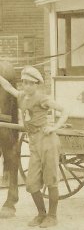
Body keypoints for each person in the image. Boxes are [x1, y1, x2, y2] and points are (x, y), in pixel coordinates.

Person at [0, 66, 68, 228]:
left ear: (37, 84)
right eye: (24, 82)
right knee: (31, 184)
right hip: (34, 143)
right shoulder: (22, 96)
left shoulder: (42, 98)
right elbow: (8, 87)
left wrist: (54, 127)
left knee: (51, 180)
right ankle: (41, 214)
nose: (27, 86)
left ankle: (52, 216)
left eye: (31, 83)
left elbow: (64, 110)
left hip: (47, 141)